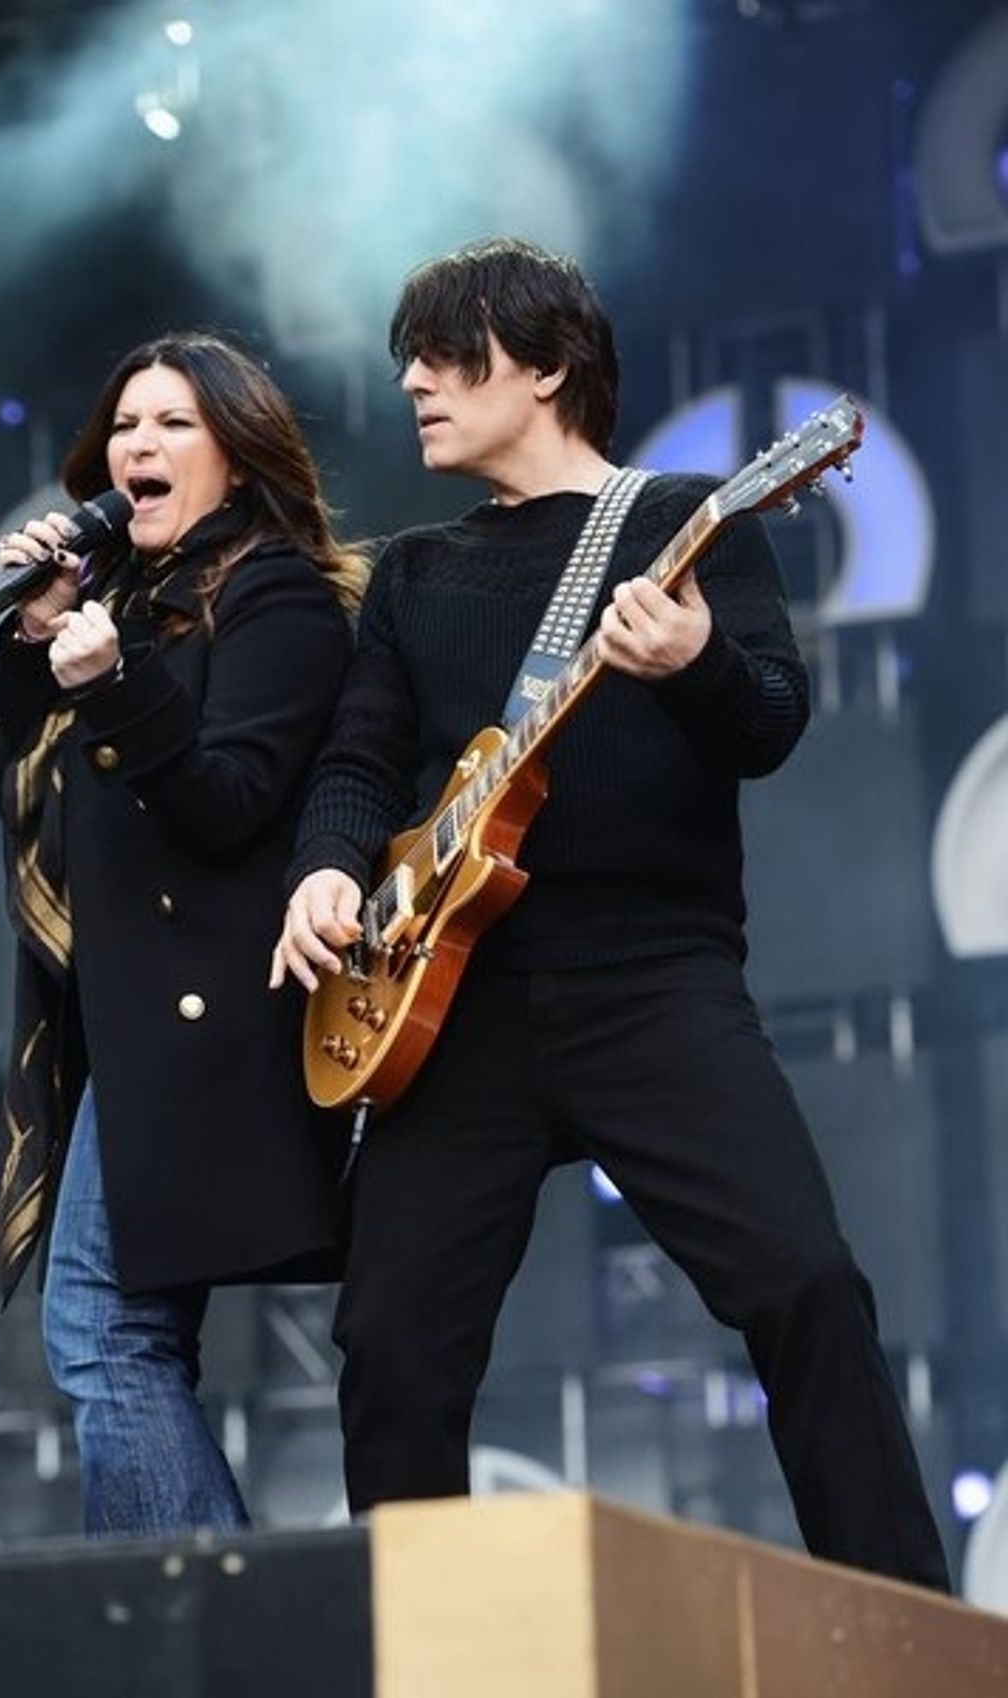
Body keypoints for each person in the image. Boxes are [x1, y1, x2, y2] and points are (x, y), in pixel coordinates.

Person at [270, 238, 950, 1590]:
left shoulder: (692, 516)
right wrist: (328, 866)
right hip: (458, 1006)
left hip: (655, 984)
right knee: (394, 1344)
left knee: (806, 1285)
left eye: (447, 353)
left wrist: (697, 662)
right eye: (409, 354)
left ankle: (916, 1637)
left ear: (549, 366)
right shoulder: (411, 575)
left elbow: (768, 723)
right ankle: (418, 1656)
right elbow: (360, 759)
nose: (411, 379)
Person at [0, 330, 366, 1537]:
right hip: (130, 1026)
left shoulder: (279, 596)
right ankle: (203, 1617)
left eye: (172, 427)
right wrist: (36, 638)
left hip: (218, 1021)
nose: (134, 448)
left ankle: (197, 1620)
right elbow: (40, 800)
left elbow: (229, 802)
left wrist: (110, 677)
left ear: (240, 458)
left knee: (106, 1327)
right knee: (121, 1330)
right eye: (124, 430)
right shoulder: (125, 603)